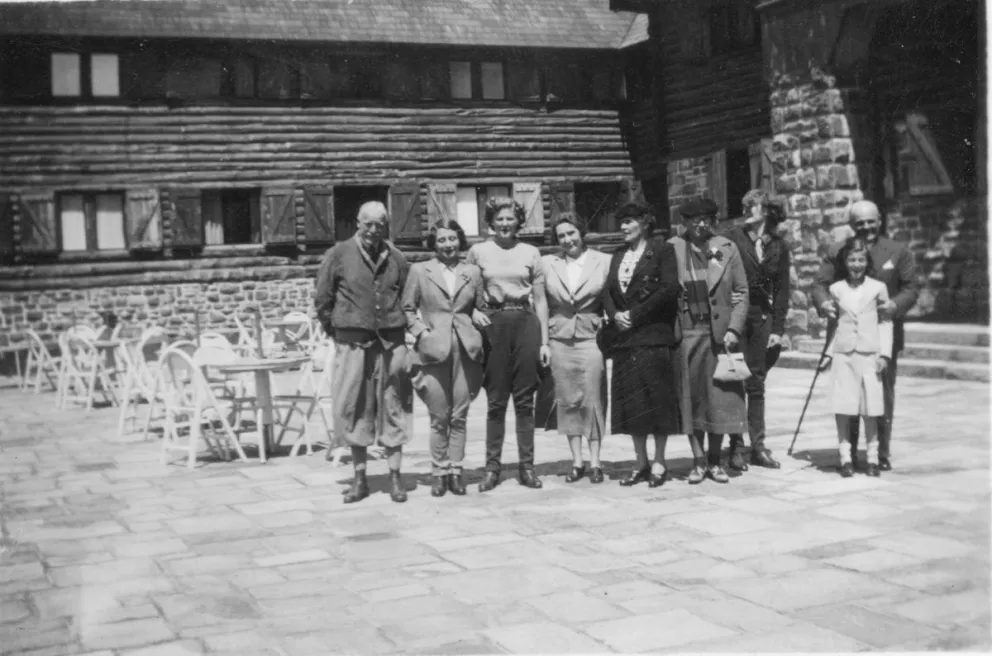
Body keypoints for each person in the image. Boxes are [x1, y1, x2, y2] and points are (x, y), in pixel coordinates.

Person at [314, 201, 413, 504]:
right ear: (357, 222)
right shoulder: (338, 254)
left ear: (387, 225)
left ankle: (395, 478)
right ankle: (360, 480)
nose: (373, 230)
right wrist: (341, 333)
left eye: (379, 224)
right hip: (354, 345)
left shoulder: (397, 257)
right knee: (355, 408)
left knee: (393, 406)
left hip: (391, 345)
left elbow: (408, 297)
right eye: (367, 223)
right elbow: (322, 300)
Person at [811, 199, 919, 471]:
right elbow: (820, 285)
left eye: (871, 221)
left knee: (880, 395)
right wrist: (823, 303)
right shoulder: (838, 251)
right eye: (859, 223)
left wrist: (895, 305)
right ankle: (852, 454)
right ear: (851, 225)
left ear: (879, 221)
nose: (866, 227)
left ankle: (880, 453)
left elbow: (911, 288)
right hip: (847, 336)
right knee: (849, 395)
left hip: (881, 337)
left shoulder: (898, 251)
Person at [467, 197, 551, 492]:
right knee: (496, 401)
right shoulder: (477, 251)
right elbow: (467, 291)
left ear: (518, 222)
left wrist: (544, 341)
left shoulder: (531, 251)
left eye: (510, 218)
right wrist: (474, 311)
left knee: (525, 400)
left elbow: (540, 300)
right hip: (493, 324)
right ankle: (492, 469)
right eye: (499, 219)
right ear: (491, 222)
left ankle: (527, 467)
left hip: (525, 321)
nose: (505, 224)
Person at [668, 198, 749, 484]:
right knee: (691, 400)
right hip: (687, 333)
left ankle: (715, 461)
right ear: (685, 222)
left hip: (720, 335)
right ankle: (697, 460)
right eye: (694, 220)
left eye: (706, 219)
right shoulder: (673, 248)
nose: (701, 224)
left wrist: (734, 329)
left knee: (719, 399)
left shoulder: (727, 248)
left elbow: (740, 291)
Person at [401, 221, 485, 497]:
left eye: (452, 239)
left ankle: (456, 471)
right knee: (439, 415)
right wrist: (421, 332)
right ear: (433, 244)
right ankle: (439, 472)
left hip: (466, 350)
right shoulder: (419, 270)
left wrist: (475, 319)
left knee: (459, 414)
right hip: (432, 351)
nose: (448, 245)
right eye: (442, 240)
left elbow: (479, 307)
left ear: (460, 241)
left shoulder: (472, 272)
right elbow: (408, 309)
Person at [602, 201, 682, 487]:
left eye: (629, 221)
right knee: (633, 404)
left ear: (644, 222)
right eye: (620, 222)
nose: (623, 227)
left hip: (653, 337)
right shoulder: (618, 255)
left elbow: (669, 289)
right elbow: (608, 291)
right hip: (625, 341)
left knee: (656, 401)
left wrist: (634, 315)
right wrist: (615, 316)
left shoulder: (662, 250)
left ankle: (660, 462)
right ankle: (640, 462)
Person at [722, 192, 791, 471]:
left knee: (757, 383)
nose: (747, 208)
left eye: (753, 204)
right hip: (736, 317)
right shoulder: (732, 238)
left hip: (762, 318)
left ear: (767, 209)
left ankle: (758, 446)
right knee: (735, 380)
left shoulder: (778, 245)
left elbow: (782, 289)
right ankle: (736, 446)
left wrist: (778, 328)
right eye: (745, 204)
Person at [541, 214, 611, 484]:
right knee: (568, 399)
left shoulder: (603, 261)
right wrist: (545, 341)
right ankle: (577, 461)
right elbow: (541, 302)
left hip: (591, 336)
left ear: (582, 232)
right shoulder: (548, 263)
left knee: (592, 398)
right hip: (560, 338)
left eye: (571, 233)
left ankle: (595, 461)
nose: (567, 239)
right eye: (561, 236)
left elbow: (612, 296)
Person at [819, 236, 893, 477]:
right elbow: (836, 327)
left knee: (870, 410)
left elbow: (885, 323)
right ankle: (846, 458)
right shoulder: (836, 289)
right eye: (852, 260)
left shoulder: (877, 288)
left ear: (866, 262)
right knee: (843, 408)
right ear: (845, 262)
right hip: (844, 356)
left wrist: (884, 354)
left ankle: (872, 458)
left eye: (861, 259)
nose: (857, 265)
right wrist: (828, 354)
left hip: (870, 355)